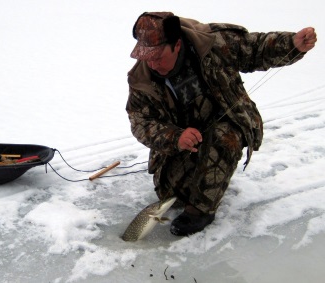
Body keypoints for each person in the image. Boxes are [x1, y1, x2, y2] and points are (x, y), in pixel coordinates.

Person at [126, 12, 317, 236]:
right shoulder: (141, 78)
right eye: (146, 56)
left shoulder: (212, 43)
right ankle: (202, 175)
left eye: (157, 56)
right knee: (171, 194)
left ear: (177, 45)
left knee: (223, 139)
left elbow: (255, 48)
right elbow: (141, 121)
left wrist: (292, 44)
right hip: (184, 140)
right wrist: (175, 137)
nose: (152, 63)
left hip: (226, 125)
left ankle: (201, 211)